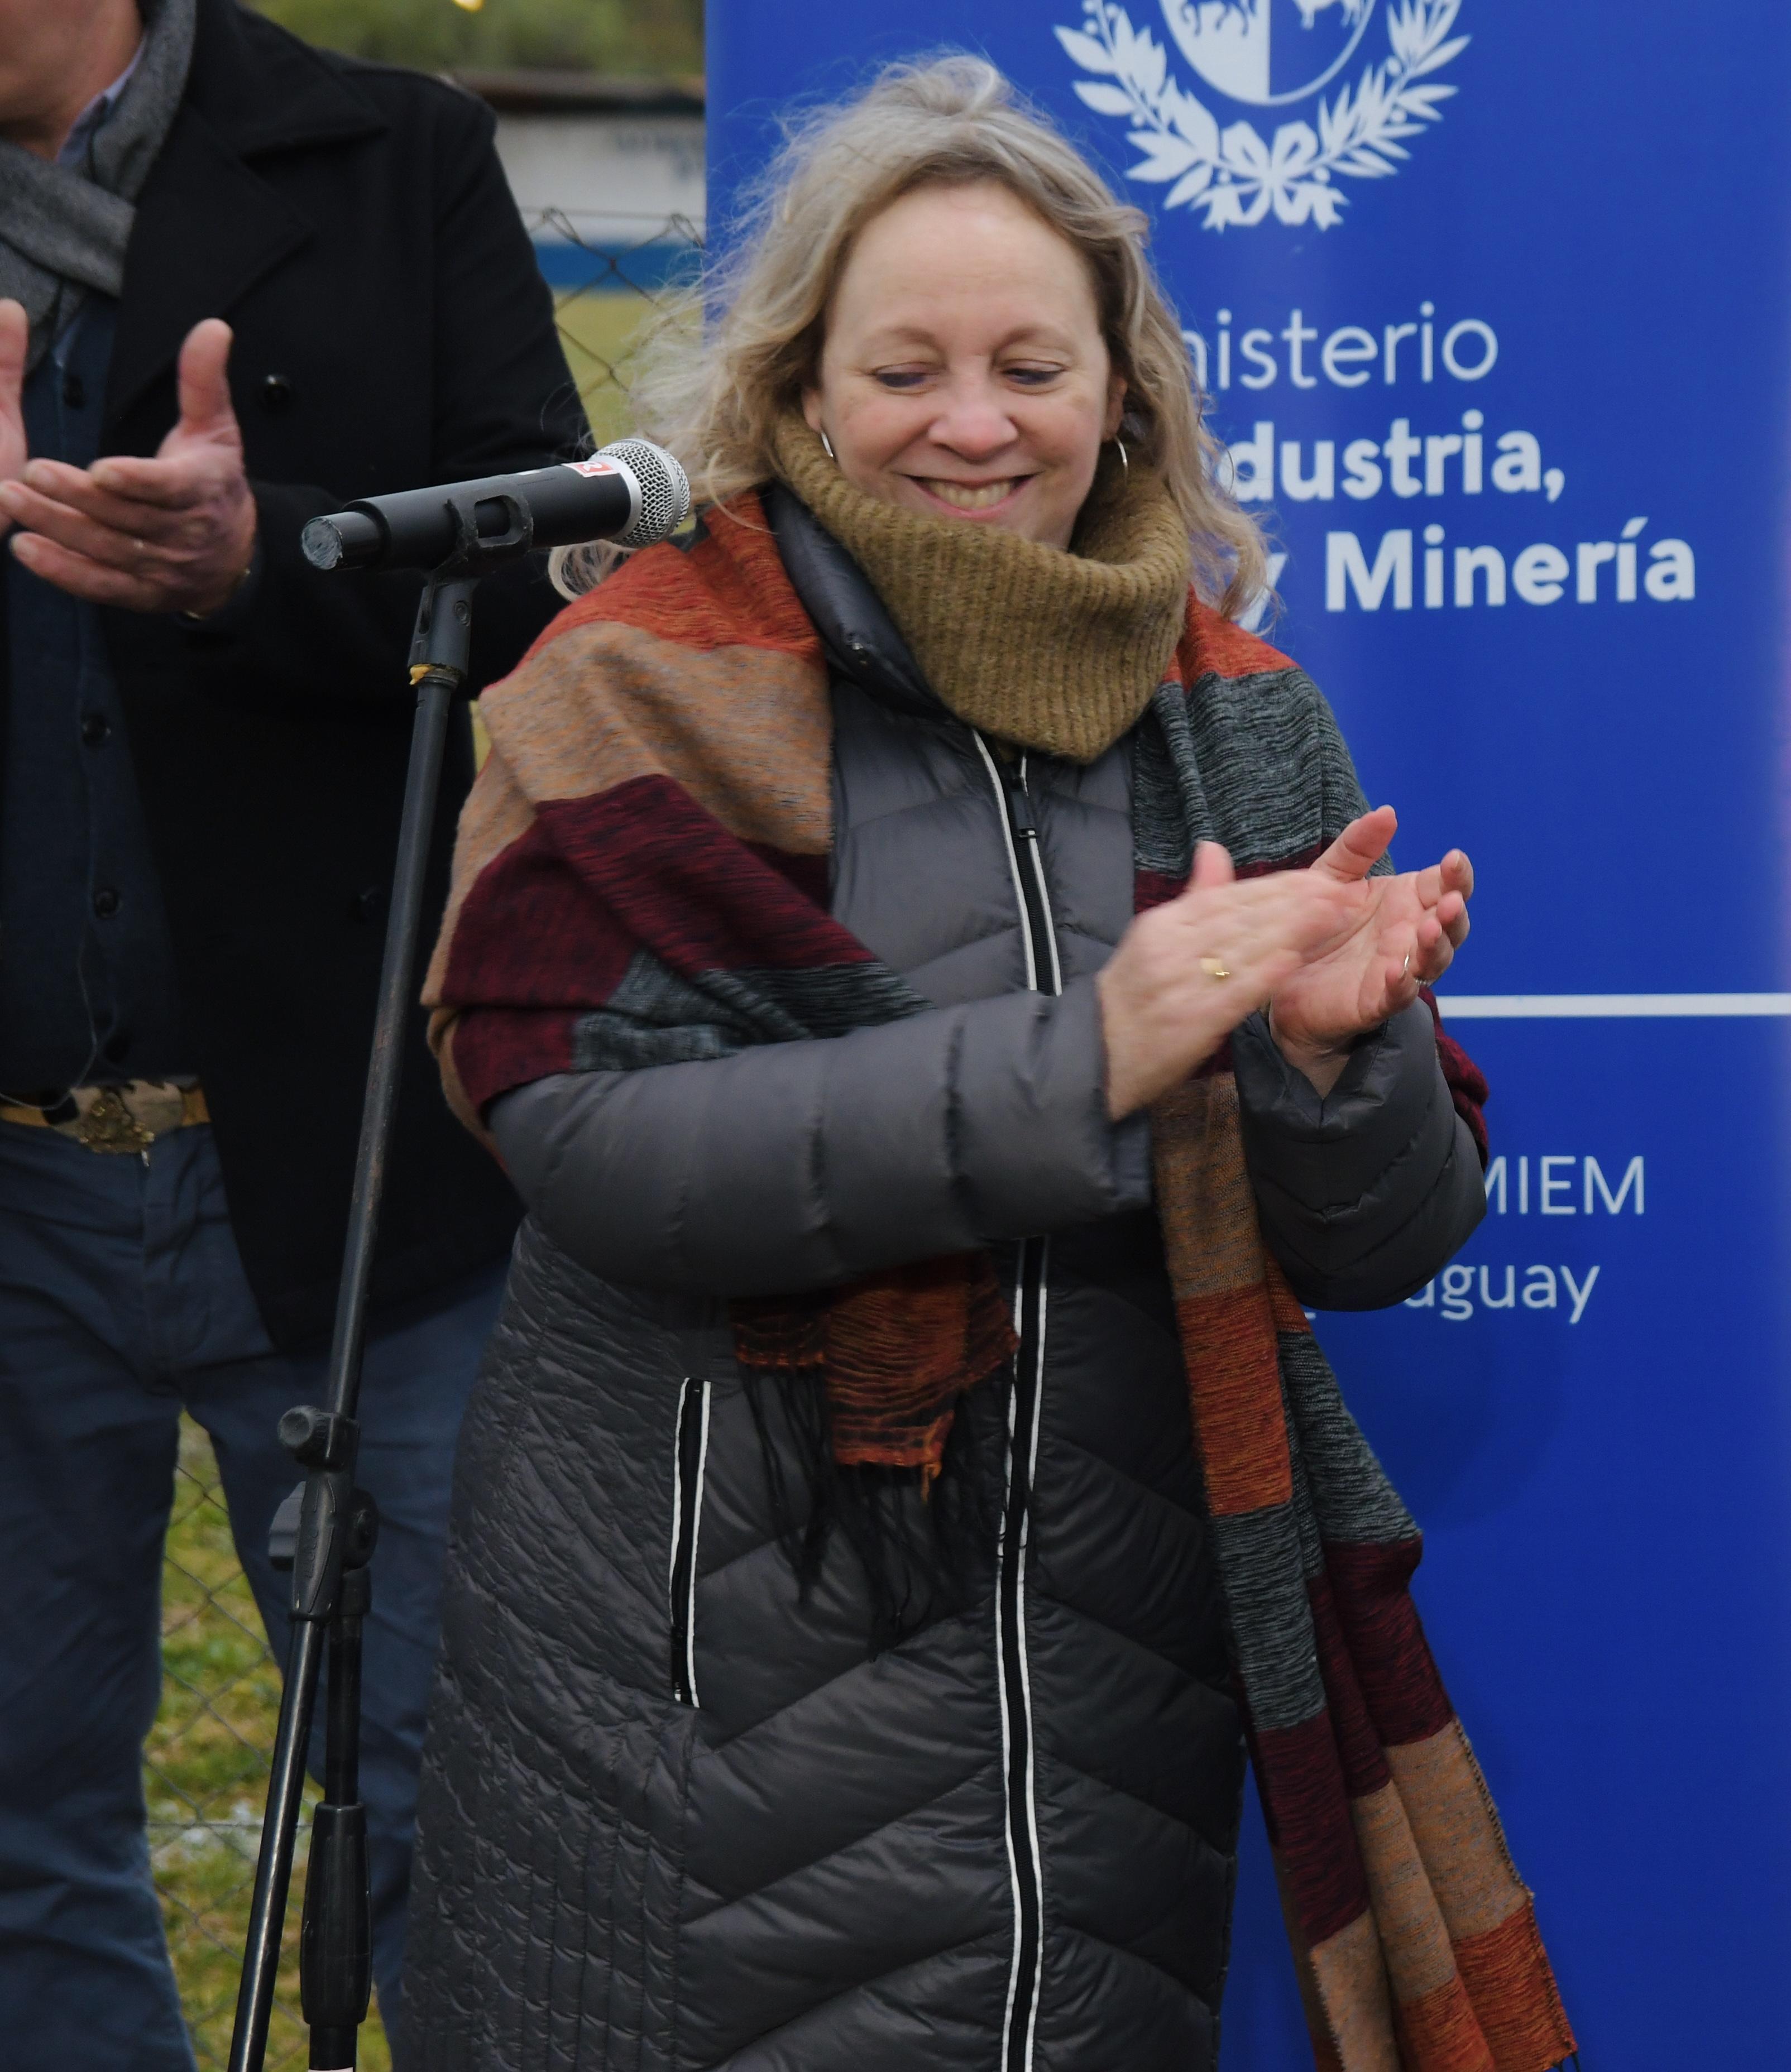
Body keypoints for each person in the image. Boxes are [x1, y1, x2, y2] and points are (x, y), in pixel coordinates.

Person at [398, 59, 1574, 2072]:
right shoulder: (625, 681)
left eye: (1031, 364)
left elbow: (1383, 1239)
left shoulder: (1240, 711)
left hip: (1104, 1666)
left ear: (1122, 388)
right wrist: (1093, 1054)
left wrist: (1329, 1058)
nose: (970, 422)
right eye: (905, 366)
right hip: (706, 1676)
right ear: (794, 390)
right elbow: (590, 1138)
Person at [0, 0, 581, 2055]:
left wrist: (267, 559)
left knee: (456, 1790)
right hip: (13, 1192)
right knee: (14, 1822)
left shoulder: (386, 153)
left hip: (353, 1168)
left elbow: (547, 597)